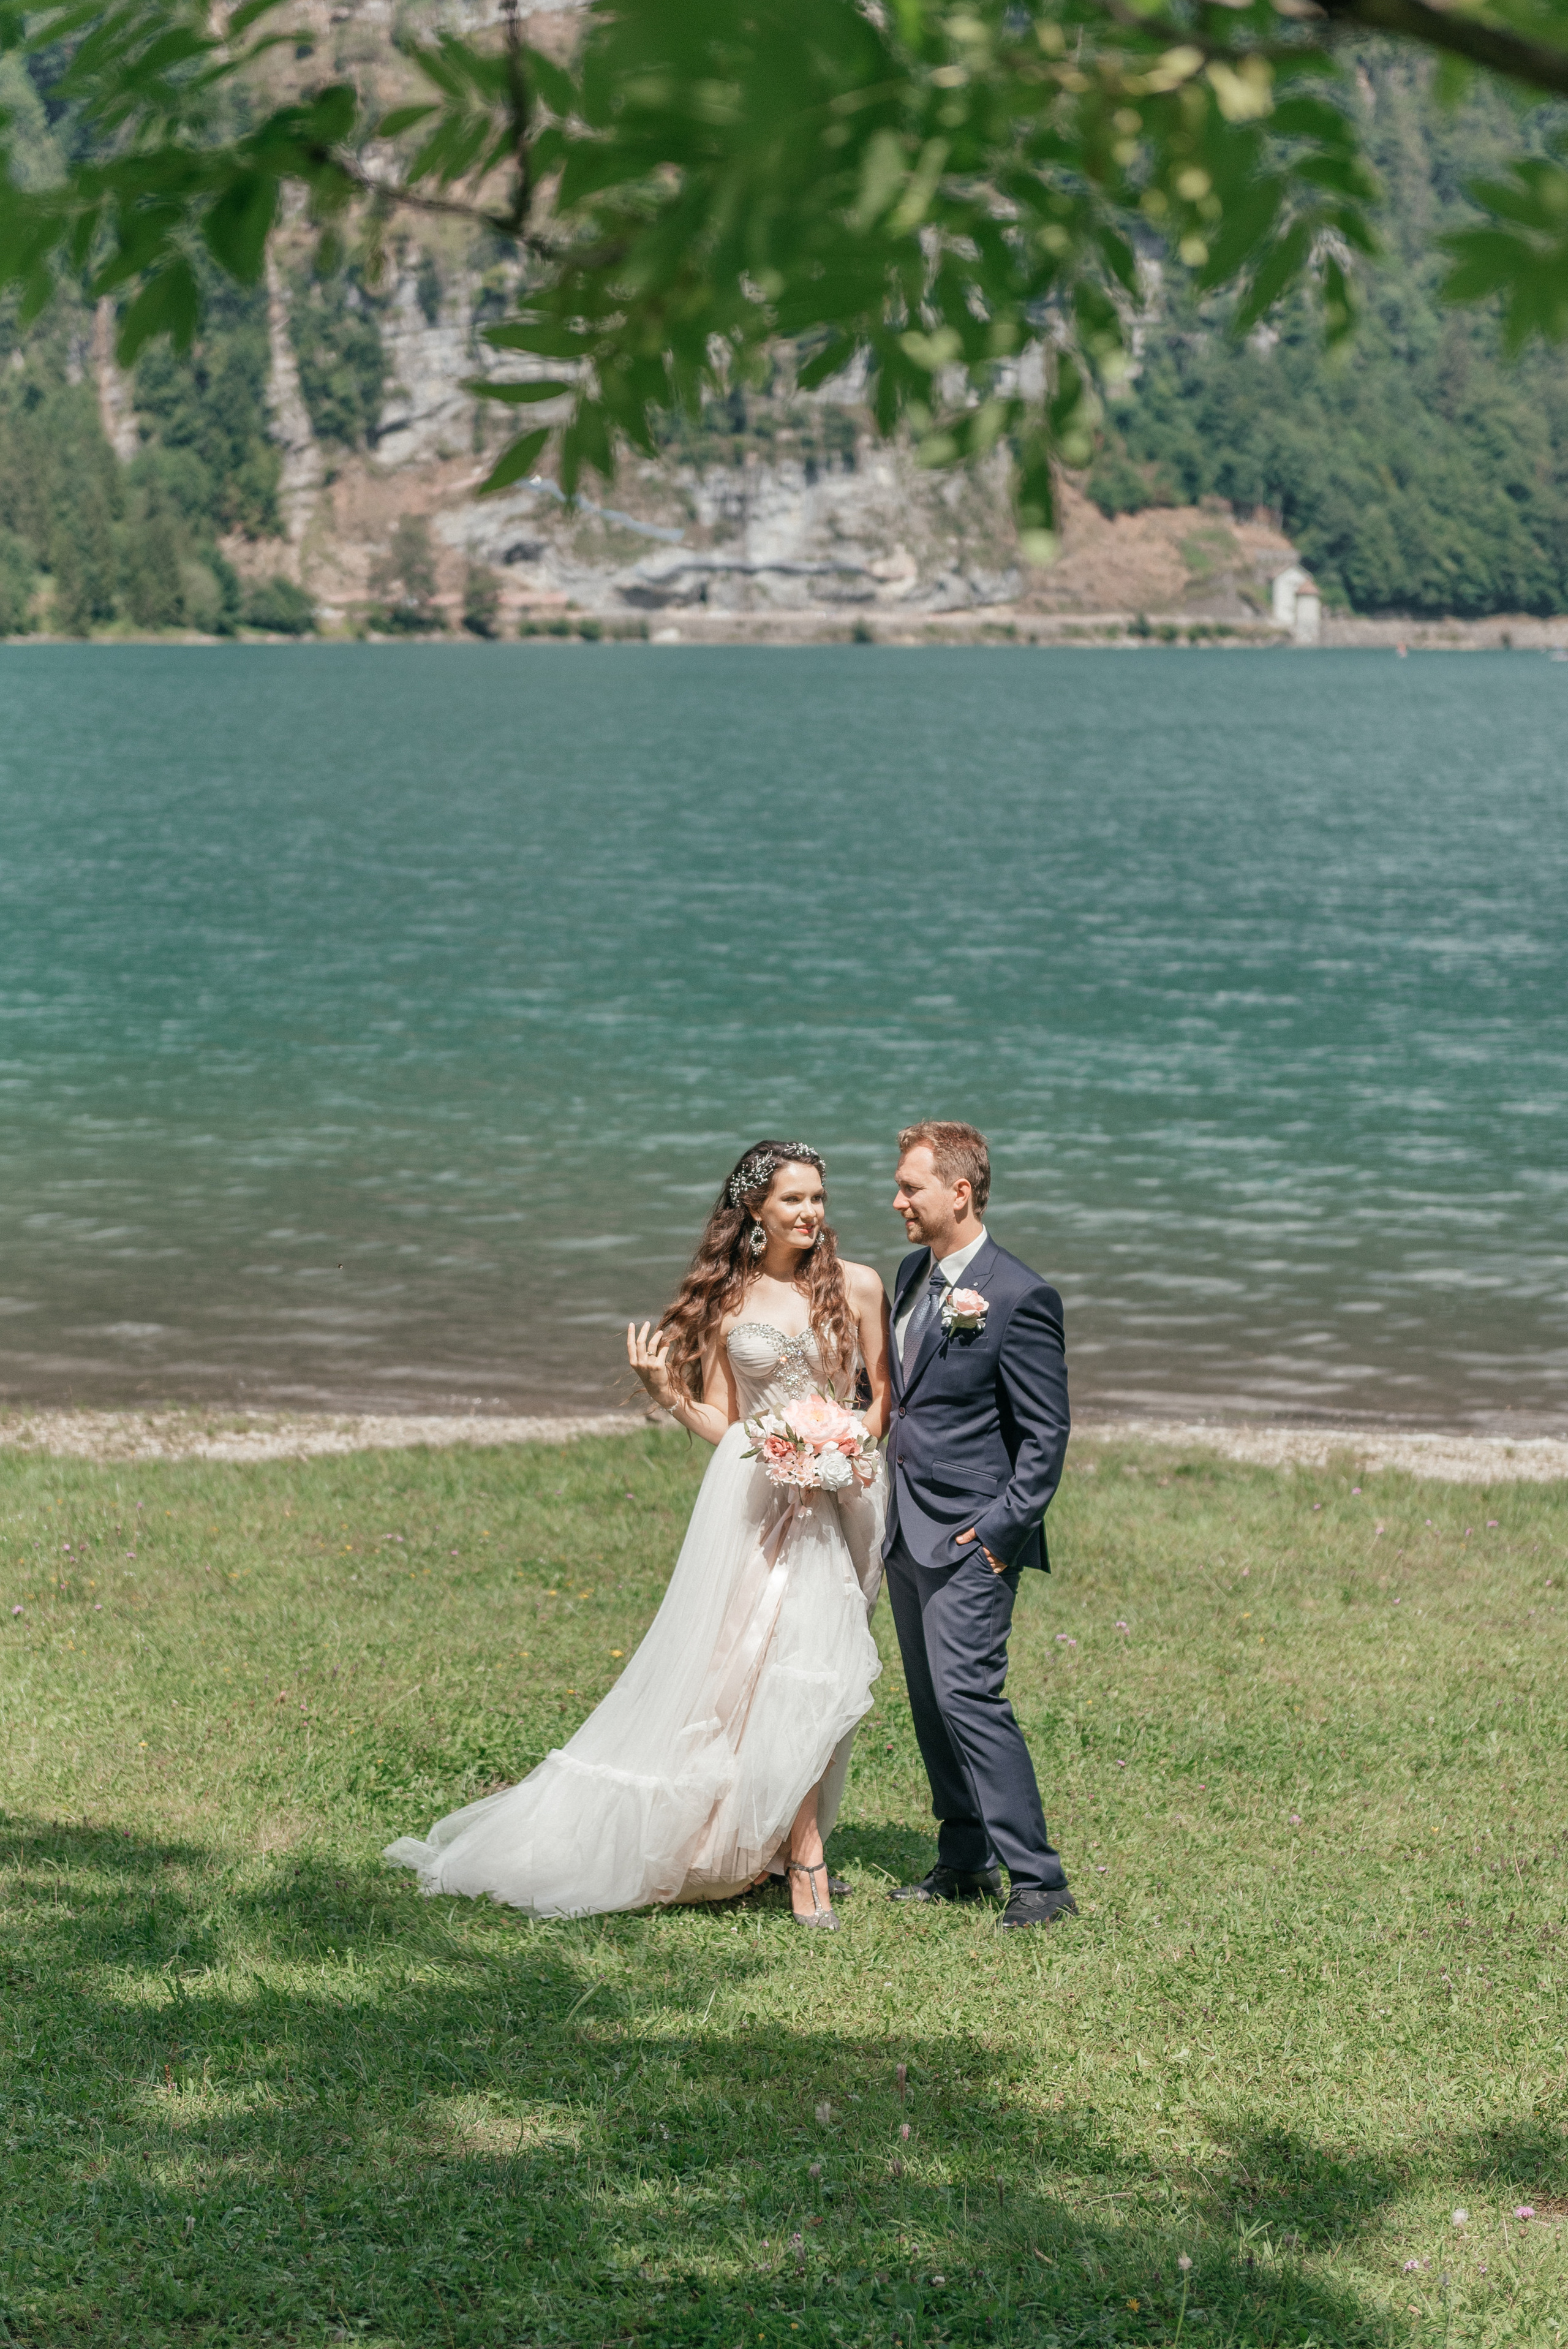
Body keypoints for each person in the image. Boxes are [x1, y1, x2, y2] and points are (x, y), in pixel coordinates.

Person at [385, 1141, 891, 1929]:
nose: (810, 1213)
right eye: (793, 1200)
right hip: (758, 1503)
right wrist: (667, 1393)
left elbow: (878, 1403)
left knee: (821, 1674)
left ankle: (788, 1848)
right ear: (755, 1211)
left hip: (835, 1502)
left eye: (819, 1198)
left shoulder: (856, 1285)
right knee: (756, 1676)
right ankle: (799, 1861)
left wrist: (835, 1449)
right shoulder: (730, 1301)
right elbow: (727, 1424)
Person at [881, 1120, 1075, 1931]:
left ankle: (1039, 1882)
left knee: (969, 1693)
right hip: (904, 1525)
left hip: (971, 1536)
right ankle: (964, 1858)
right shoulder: (907, 1274)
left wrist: (997, 1536)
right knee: (930, 1700)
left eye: (910, 1187)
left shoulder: (1020, 1295)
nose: (897, 1202)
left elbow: (1047, 1434)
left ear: (958, 1191)